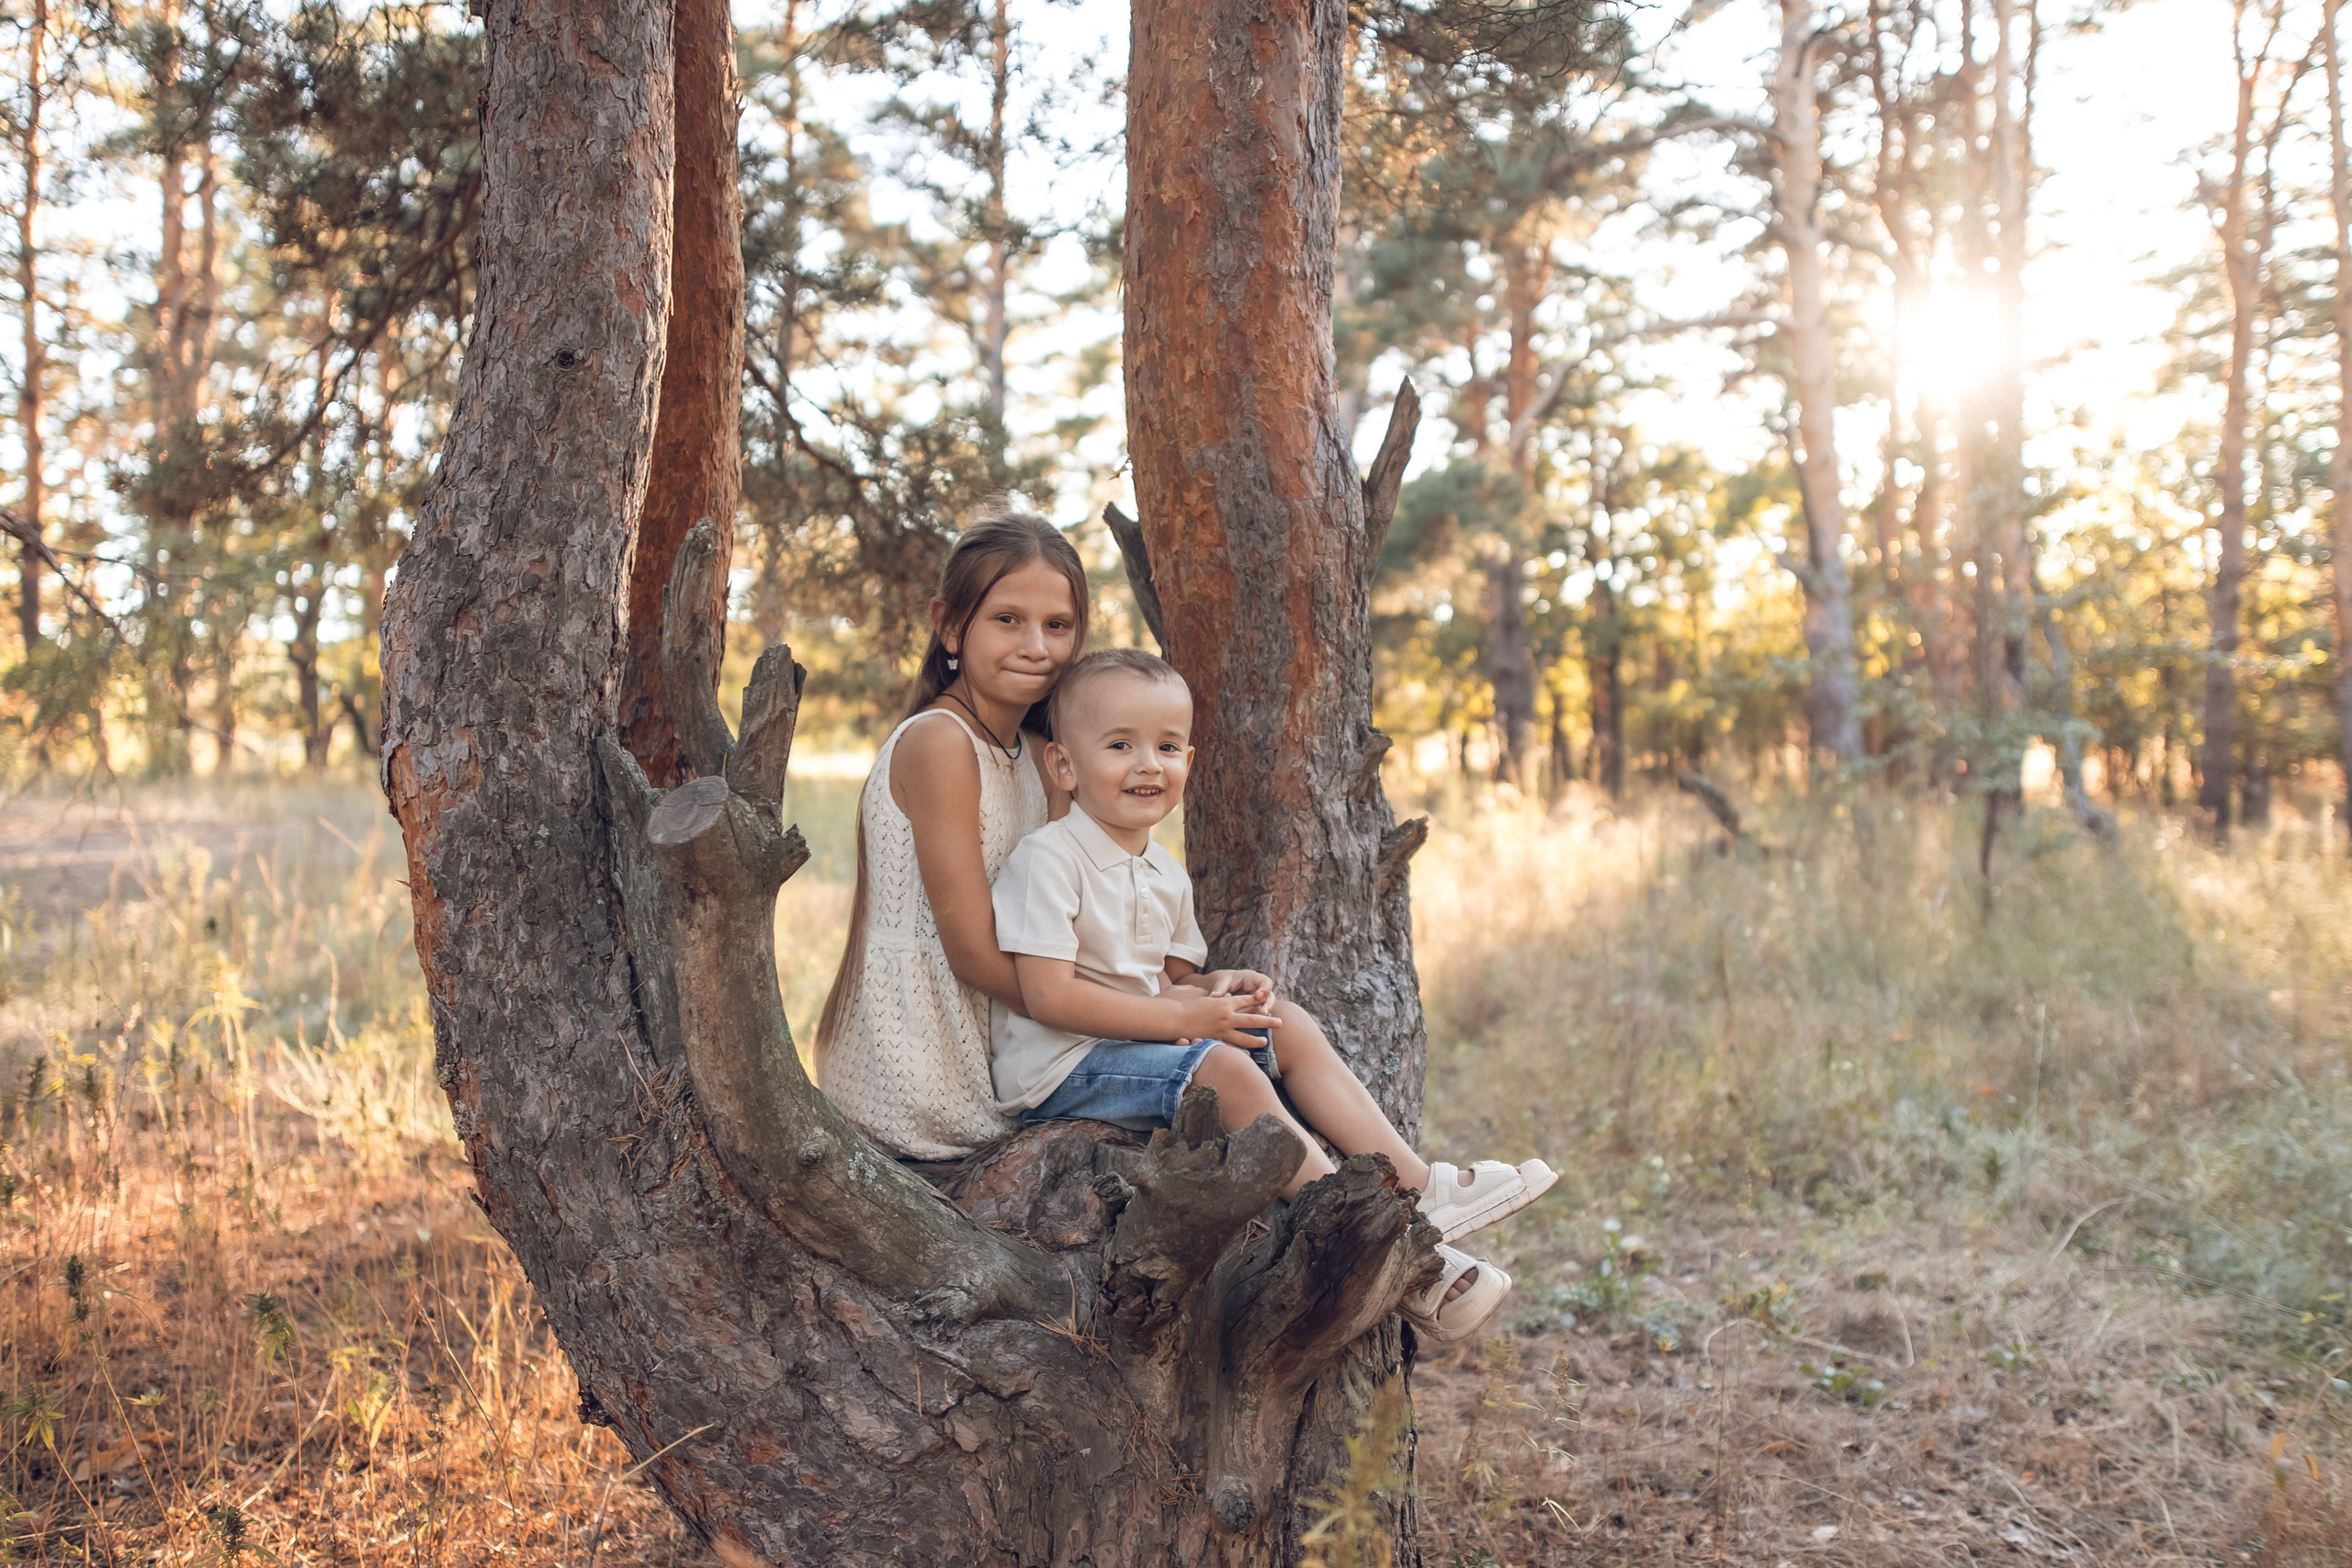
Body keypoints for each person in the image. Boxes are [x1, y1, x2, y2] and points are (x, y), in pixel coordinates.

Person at [989, 648, 1557, 1342]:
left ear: (1189, 763)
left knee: (1280, 1020)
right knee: (1223, 1067)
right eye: (1119, 745)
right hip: (1062, 1067)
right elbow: (1047, 996)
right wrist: (1184, 1015)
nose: (1148, 764)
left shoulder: (1162, 871)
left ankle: (1415, 1185)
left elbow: (1160, 982)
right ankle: (1355, 1231)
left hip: (1137, 1047)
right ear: (1065, 766)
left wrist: (1211, 988)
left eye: (1167, 746)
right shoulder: (1048, 859)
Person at [812, 511, 1084, 1160]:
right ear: (950, 624)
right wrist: (1132, 1009)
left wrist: (1172, 985)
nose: (1036, 646)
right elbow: (970, 954)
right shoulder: (941, 742)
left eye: (1058, 626)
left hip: (1011, 1044)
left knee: (1252, 1042)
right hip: (918, 1069)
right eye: (1007, 619)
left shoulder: (1041, 754)